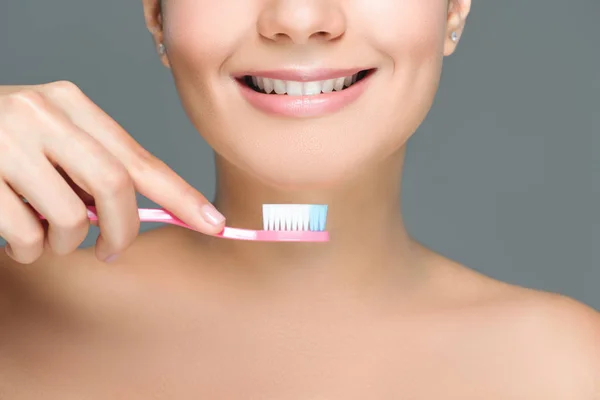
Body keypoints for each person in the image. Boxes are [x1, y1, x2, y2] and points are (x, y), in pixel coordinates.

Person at [0, 0, 598, 398]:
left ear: (453, 7)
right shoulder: (14, 307)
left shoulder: (570, 368)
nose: (300, 17)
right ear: (158, 14)